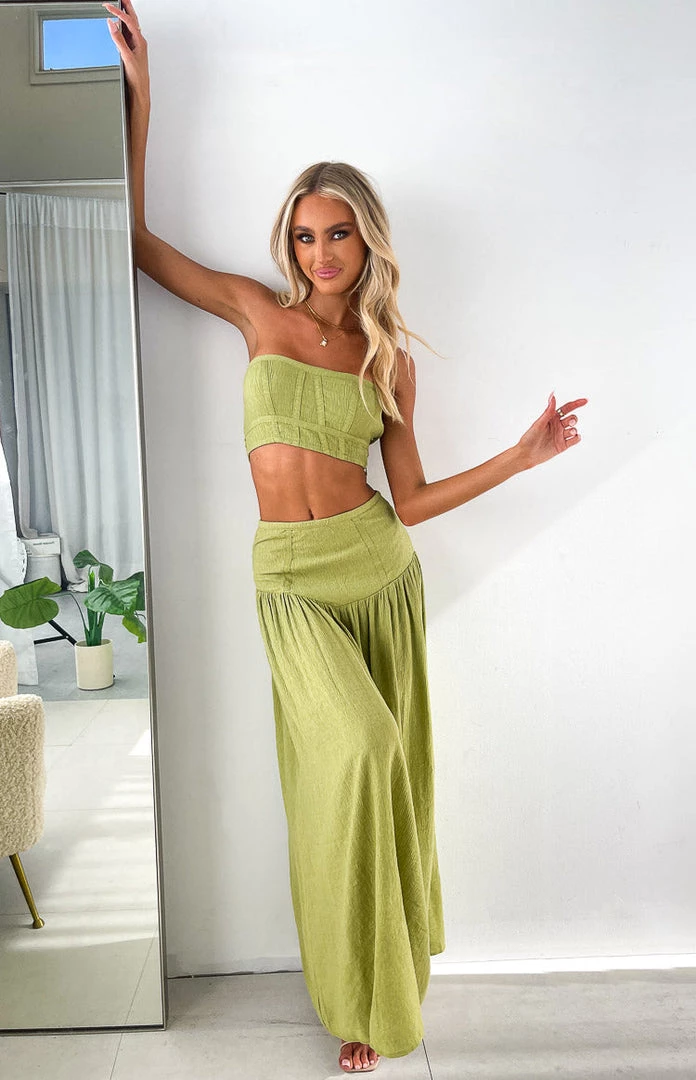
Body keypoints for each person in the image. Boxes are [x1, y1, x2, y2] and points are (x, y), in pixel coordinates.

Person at [105, 2, 588, 1072]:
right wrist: (145, 94)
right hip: (291, 582)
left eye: (337, 233)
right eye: (305, 234)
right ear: (289, 243)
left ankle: (376, 996)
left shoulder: (386, 359)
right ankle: (348, 976)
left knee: (383, 769)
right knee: (355, 757)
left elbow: (407, 500)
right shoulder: (256, 313)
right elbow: (137, 244)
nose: (320, 251)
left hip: (376, 570)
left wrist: (520, 456)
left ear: (367, 239)